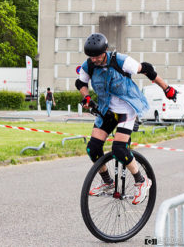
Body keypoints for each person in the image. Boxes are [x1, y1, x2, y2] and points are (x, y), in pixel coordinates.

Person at [76, 33, 178, 205]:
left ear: (105, 51)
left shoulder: (121, 61)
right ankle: (108, 182)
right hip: (106, 110)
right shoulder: (89, 65)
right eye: (91, 57)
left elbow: (147, 69)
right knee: (92, 148)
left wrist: (167, 88)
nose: (94, 60)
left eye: (97, 56)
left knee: (119, 149)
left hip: (127, 109)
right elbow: (81, 83)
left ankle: (141, 180)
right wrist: (86, 97)